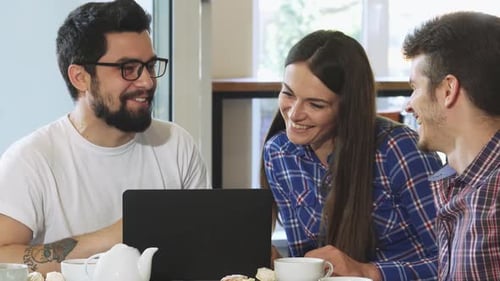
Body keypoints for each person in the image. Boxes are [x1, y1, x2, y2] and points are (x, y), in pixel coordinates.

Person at [0, 0, 210, 275]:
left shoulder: (176, 144)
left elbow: (205, 242)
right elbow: (3, 256)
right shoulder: (31, 160)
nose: (147, 81)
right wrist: (113, 238)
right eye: (128, 68)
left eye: (149, 65)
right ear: (80, 77)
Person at [261, 30, 444, 281]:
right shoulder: (280, 153)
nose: (294, 114)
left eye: (315, 104)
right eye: (288, 93)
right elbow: (307, 260)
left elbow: (454, 261)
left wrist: (368, 272)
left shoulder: (401, 151)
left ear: (348, 107)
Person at [403, 11, 500, 280]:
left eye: (415, 87)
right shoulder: (461, 184)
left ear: (448, 90)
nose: (408, 105)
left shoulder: (493, 198)